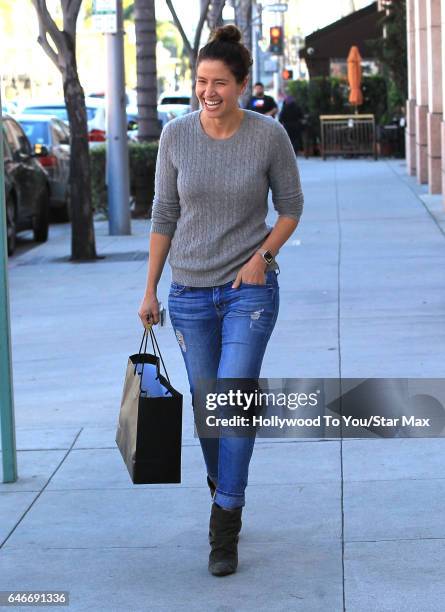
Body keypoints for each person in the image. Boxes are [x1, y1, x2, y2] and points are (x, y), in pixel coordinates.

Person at [138, 25, 304, 577]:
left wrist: (263, 257)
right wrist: (151, 289)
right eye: (201, 82)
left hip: (247, 291)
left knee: (231, 397)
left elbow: (290, 207)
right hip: (186, 293)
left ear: (241, 85)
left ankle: (224, 520)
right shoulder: (175, 136)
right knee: (210, 411)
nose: (208, 92)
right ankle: (223, 483)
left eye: (220, 83)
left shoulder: (268, 136)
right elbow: (164, 214)